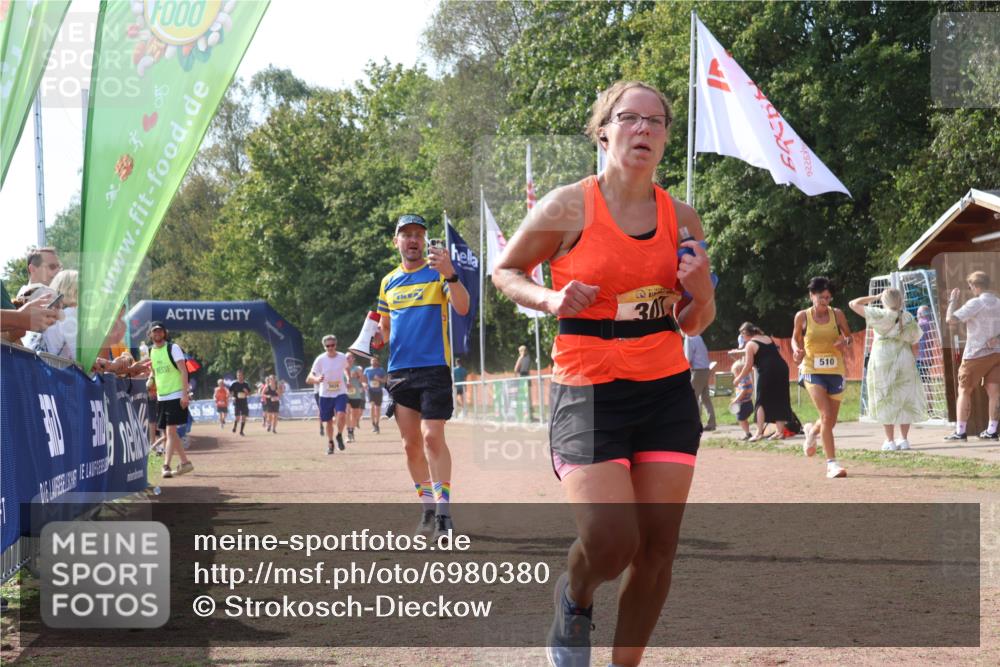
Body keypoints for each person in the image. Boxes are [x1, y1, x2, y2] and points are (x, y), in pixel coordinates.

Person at [492, 80, 714, 667]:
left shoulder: (682, 216)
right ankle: (575, 596)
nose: (644, 129)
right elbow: (506, 271)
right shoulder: (569, 205)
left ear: (667, 136)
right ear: (604, 130)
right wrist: (549, 298)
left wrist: (703, 289)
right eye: (630, 118)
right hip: (588, 388)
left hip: (665, 391)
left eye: (656, 121)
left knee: (658, 549)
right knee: (613, 542)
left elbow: (695, 321)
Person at [376, 213, 470, 538]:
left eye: (418, 234)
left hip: (434, 368)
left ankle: (444, 514)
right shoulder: (388, 282)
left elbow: (462, 307)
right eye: (406, 234)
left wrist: (451, 275)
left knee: (432, 437)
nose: (413, 240)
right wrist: (375, 338)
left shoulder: (437, 274)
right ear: (396, 241)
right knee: (410, 446)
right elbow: (385, 331)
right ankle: (428, 509)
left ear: (424, 240)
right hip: (400, 372)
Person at [849, 288, 927, 450]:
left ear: (884, 301)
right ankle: (904, 439)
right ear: (901, 300)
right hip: (904, 357)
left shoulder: (879, 314)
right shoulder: (908, 317)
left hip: (882, 358)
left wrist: (875, 297)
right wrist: (913, 360)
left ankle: (889, 440)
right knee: (905, 397)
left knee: (884, 397)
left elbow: (853, 303)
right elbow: (915, 343)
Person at [792, 276, 852, 479]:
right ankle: (832, 464)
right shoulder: (803, 316)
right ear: (811, 296)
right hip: (811, 369)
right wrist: (796, 351)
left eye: (827, 297)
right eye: (820, 297)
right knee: (826, 415)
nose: (824, 301)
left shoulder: (837, 315)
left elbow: (849, 336)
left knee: (830, 421)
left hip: (835, 370)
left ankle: (811, 432)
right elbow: (795, 339)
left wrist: (845, 342)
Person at [944, 271, 1000, 441]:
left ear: (976, 286)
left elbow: (950, 319)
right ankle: (992, 431)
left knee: (964, 390)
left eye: (970, 286)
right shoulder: (998, 302)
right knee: (994, 392)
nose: (970, 289)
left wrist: (952, 301)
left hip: (975, 354)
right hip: (997, 353)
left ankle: (960, 432)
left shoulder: (976, 303)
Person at [732, 323, 794, 442]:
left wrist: (738, 378)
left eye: (742, 334)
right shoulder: (767, 338)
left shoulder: (750, 344)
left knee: (761, 401)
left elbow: (748, 366)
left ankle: (759, 432)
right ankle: (779, 432)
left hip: (767, 371)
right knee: (780, 398)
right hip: (782, 368)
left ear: (745, 334)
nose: (742, 337)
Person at [148, 321, 193, 478]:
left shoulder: (173, 348)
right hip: (162, 397)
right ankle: (185, 462)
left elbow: (183, 371)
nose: (157, 334)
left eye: (160, 331)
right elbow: (154, 371)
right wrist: (151, 379)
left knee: (170, 431)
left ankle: (165, 466)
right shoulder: (151, 351)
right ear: (151, 334)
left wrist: (185, 394)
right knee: (170, 433)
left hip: (175, 395)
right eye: (155, 331)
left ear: (164, 333)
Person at [307, 335, 349, 454]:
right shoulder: (320, 359)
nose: (330, 348)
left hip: (340, 392)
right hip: (325, 394)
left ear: (336, 345)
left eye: (332, 345)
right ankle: (330, 443)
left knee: (341, 414)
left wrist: (348, 378)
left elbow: (346, 368)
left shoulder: (342, 357)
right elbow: (309, 377)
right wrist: (317, 379)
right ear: (324, 347)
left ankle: (339, 435)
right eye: (328, 346)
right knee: (328, 421)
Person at [684, 334, 716, 431]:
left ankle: (695, 424)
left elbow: (688, 357)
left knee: (693, 398)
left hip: (697, 371)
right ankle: (711, 423)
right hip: (705, 369)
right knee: (705, 398)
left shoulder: (688, 338)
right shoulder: (698, 336)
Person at [730, 359, 754, 440]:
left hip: (744, 404)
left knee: (741, 419)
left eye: (735, 373)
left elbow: (743, 391)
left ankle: (747, 433)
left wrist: (736, 400)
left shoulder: (743, 379)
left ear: (739, 371)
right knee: (744, 419)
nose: (734, 375)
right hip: (749, 402)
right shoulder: (747, 378)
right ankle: (748, 433)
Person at [344, 352, 365, 443]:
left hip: (355, 394)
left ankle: (352, 430)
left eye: (350, 357)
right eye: (347, 358)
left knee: (355, 414)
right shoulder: (341, 369)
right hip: (344, 394)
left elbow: (362, 381)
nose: (348, 359)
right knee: (347, 412)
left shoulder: (357, 369)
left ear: (353, 359)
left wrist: (358, 376)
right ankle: (349, 432)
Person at [364, 356, 387, 433]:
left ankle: (377, 424)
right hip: (370, 391)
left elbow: (385, 380)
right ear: (370, 361)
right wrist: (364, 384)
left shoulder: (381, 370)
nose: (373, 361)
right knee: (372, 406)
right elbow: (363, 380)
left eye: (375, 360)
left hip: (378, 391)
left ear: (377, 362)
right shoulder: (367, 370)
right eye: (372, 360)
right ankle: (373, 424)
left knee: (378, 408)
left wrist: (379, 379)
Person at [229, 370, 252, 436]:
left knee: (244, 417)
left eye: (240, 375)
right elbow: (230, 392)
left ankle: (241, 431)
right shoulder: (234, 384)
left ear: (243, 376)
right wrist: (232, 397)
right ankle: (235, 426)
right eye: (238, 375)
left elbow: (249, 393)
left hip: (244, 402)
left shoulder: (246, 384)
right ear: (237, 376)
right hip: (237, 402)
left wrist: (246, 391)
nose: (239, 376)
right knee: (237, 417)